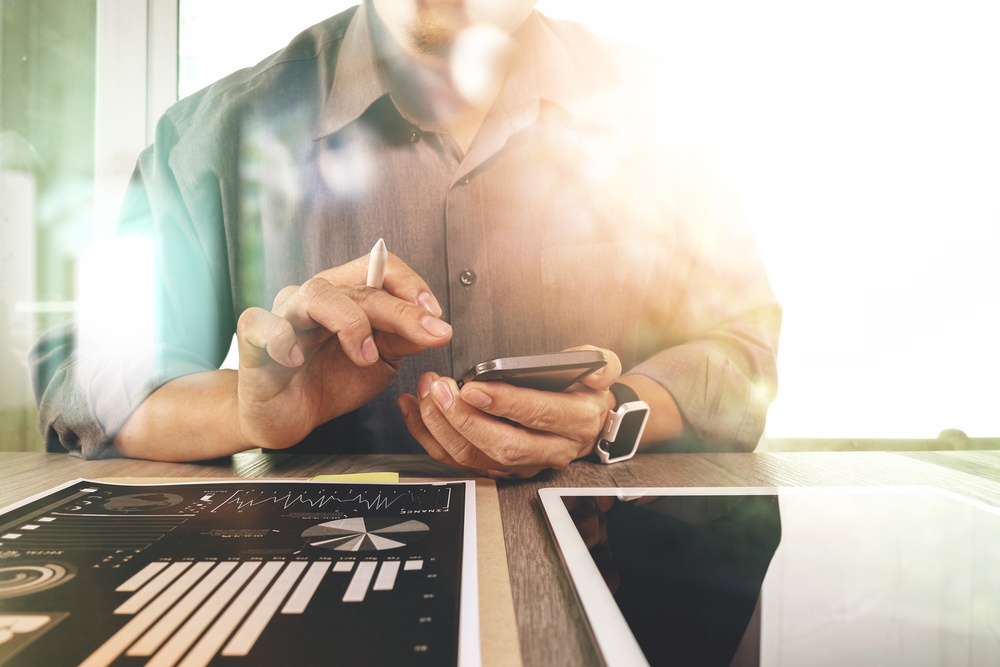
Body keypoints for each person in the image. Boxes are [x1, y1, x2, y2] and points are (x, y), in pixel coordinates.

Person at [30, 0, 781, 477]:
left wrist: (610, 414)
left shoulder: (660, 119)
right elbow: (91, 370)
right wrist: (250, 412)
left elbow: (739, 350)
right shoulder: (216, 135)